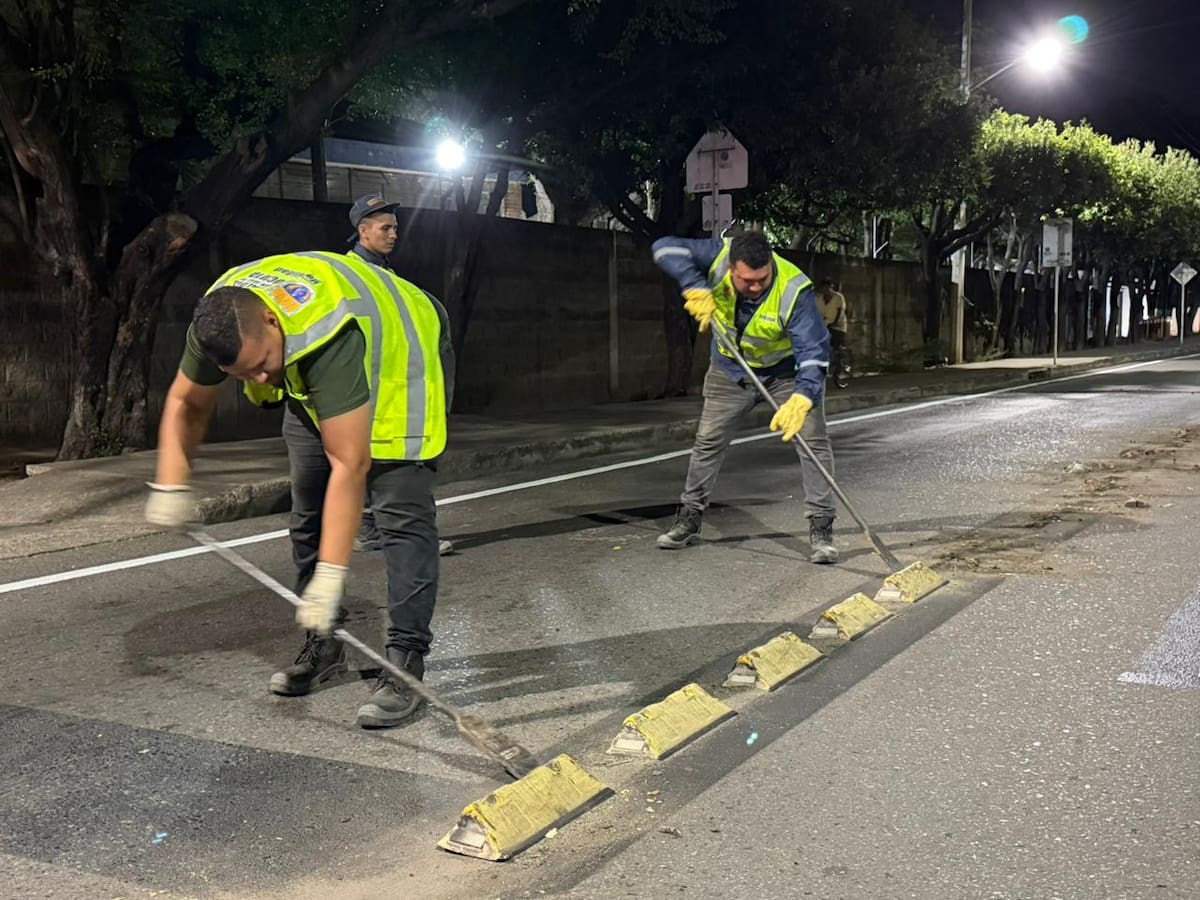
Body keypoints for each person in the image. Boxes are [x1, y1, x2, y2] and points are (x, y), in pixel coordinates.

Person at [145, 250, 447, 729]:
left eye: (262, 363)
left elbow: (350, 464)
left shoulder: (327, 332)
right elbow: (187, 401)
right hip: (316, 371)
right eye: (244, 375)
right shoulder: (218, 318)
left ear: (271, 319)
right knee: (308, 512)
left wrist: (330, 574)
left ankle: (405, 664)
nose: (261, 379)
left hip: (400, 361)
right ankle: (325, 644)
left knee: (400, 518)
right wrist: (170, 481)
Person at [650, 231, 839, 563]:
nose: (755, 287)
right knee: (707, 442)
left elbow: (813, 351)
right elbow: (664, 247)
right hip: (730, 370)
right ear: (731, 267)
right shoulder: (716, 257)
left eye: (762, 279)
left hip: (785, 375)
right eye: (747, 281)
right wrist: (694, 285)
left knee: (813, 443)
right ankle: (689, 518)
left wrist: (804, 397)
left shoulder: (794, 290)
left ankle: (822, 529)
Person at [346, 193, 456, 557]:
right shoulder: (355, 275)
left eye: (395, 228)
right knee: (408, 464)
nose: (394, 234)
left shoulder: (383, 273)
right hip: (380, 387)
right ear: (363, 231)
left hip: (385, 385)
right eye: (386, 228)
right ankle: (412, 537)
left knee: (374, 462)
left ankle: (370, 530)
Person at [816, 278, 849, 381]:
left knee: (837, 347)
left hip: (838, 326)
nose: (825, 290)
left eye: (828, 287)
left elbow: (840, 312)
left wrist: (835, 322)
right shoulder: (819, 299)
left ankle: (840, 369)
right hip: (825, 325)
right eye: (823, 288)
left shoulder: (838, 297)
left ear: (831, 287)